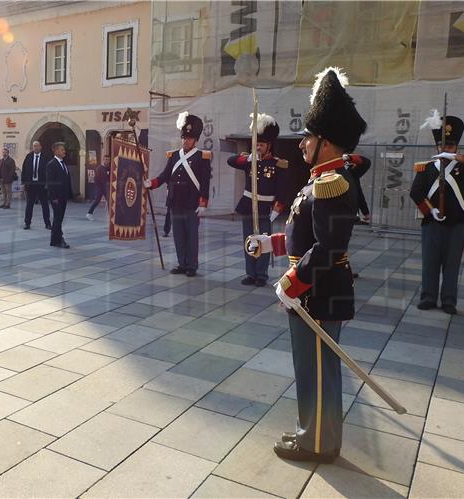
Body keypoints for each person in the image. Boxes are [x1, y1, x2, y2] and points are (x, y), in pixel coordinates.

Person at [246, 67, 367, 463]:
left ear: (327, 143)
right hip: (315, 289)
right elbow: (307, 238)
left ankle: (316, 442)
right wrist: (271, 243)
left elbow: (329, 248)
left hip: (317, 292)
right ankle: (317, 433)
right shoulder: (321, 179)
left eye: (309, 137)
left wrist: (292, 282)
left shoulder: (333, 183)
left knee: (316, 370)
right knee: (316, 368)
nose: (301, 144)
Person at [410, 112, 464, 315]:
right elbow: (415, 192)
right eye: (442, 146)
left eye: (450, 146)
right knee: (430, 262)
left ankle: (449, 301)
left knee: (452, 264)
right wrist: (431, 210)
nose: (445, 149)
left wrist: (454, 158)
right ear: (436, 146)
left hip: (457, 223)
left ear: (456, 147)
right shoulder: (425, 169)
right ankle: (428, 298)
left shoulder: (463, 167)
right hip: (432, 223)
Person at [145, 112, 212, 277]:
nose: (185, 141)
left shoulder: (201, 157)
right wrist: (151, 183)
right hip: (175, 202)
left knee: (191, 236)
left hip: (191, 203)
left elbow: (205, 182)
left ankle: (192, 266)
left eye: (189, 138)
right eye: (183, 138)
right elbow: (165, 175)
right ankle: (182, 263)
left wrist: (203, 203)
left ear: (195, 140)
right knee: (179, 235)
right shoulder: (174, 155)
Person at [227, 113, 288, 287]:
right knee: (249, 240)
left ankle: (261, 274)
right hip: (248, 206)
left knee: (264, 241)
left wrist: (277, 209)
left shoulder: (277, 164)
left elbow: (282, 190)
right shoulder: (249, 160)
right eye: (256, 144)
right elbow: (231, 160)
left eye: (261, 144)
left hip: (265, 208)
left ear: (269, 145)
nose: (258, 147)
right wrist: (248, 158)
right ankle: (250, 273)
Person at [45, 142, 73, 248]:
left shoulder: (62, 163)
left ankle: (54, 240)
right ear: (56, 151)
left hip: (63, 196)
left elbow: (66, 180)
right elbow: (50, 182)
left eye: (64, 149)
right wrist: (54, 197)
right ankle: (59, 240)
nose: (64, 151)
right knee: (58, 219)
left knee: (59, 218)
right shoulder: (51, 164)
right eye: (62, 149)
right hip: (56, 197)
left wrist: (69, 194)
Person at [21, 141, 52, 230]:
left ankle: (47, 223)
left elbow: (49, 172)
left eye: (37, 146)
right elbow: (24, 170)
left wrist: (47, 183)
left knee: (45, 205)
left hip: (42, 185)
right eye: (34, 146)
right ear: (32, 147)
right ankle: (27, 223)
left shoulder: (45, 158)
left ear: (40, 147)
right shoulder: (29, 157)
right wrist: (23, 183)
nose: (36, 148)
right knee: (29, 205)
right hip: (31, 185)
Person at [86, 154, 110, 221]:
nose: (107, 161)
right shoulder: (99, 168)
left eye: (108, 160)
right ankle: (89, 214)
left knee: (109, 201)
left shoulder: (109, 168)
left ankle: (110, 216)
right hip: (100, 188)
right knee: (97, 200)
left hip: (106, 188)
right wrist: (99, 187)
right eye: (106, 159)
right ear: (103, 160)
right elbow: (96, 179)